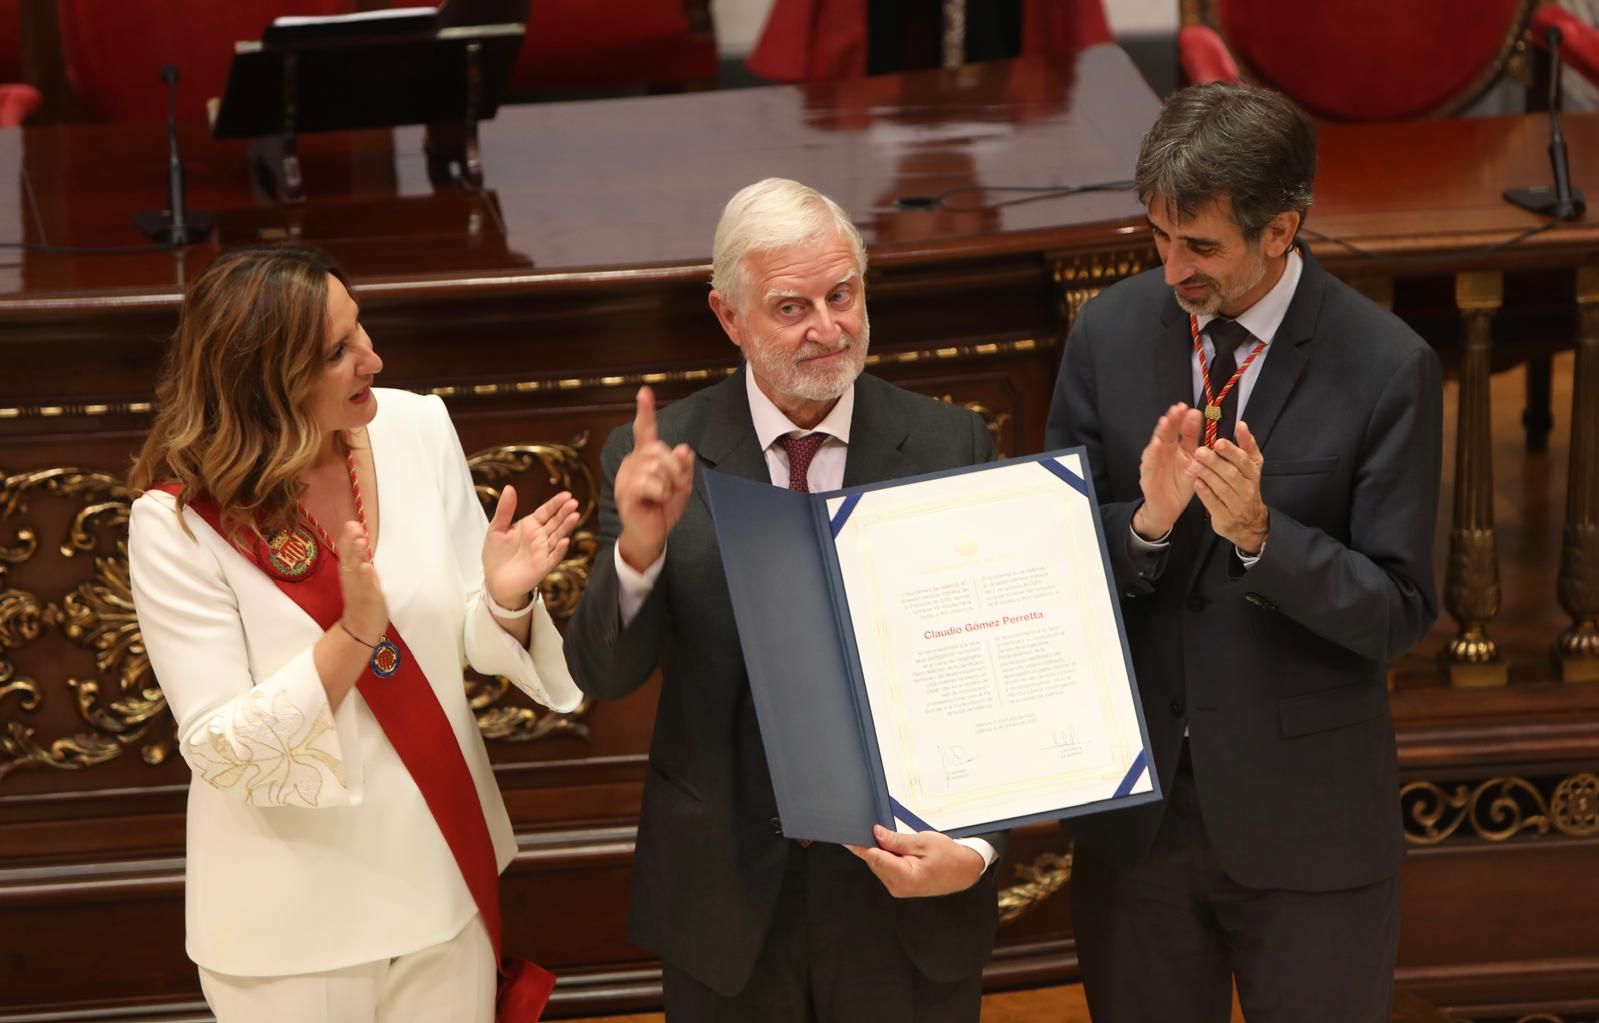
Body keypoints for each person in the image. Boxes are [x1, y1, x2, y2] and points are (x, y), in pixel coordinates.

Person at [1045, 82, 1443, 1022]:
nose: (1171, 265)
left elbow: (1396, 612)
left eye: (1200, 245)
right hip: (1138, 824)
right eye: (1157, 235)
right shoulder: (1106, 333)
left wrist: (1263, 538)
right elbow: (1048, 560)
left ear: (1281, 229)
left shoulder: (1385, 365)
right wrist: (1143, 524)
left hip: (1308, 830)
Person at [564, 178, 1005, 1022]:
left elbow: (990, 676)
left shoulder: (950, 442)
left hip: (901, 889)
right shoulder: (660, 455)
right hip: (727, 902)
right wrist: (638, 550)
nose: (827, 328)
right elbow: (609, 673)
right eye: (791, 306)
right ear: (729, 318)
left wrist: (981, 849)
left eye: (842, 296)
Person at [127, 246, 580, 1023]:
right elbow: (221, 746)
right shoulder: (174, 525)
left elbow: (461, 632)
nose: (372, 356)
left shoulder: (415, 426)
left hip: (441, 881)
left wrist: (502, 600)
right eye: (337, 352)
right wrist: (352, 636)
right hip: (291, 922)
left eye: (358, 327)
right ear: (263, 377)